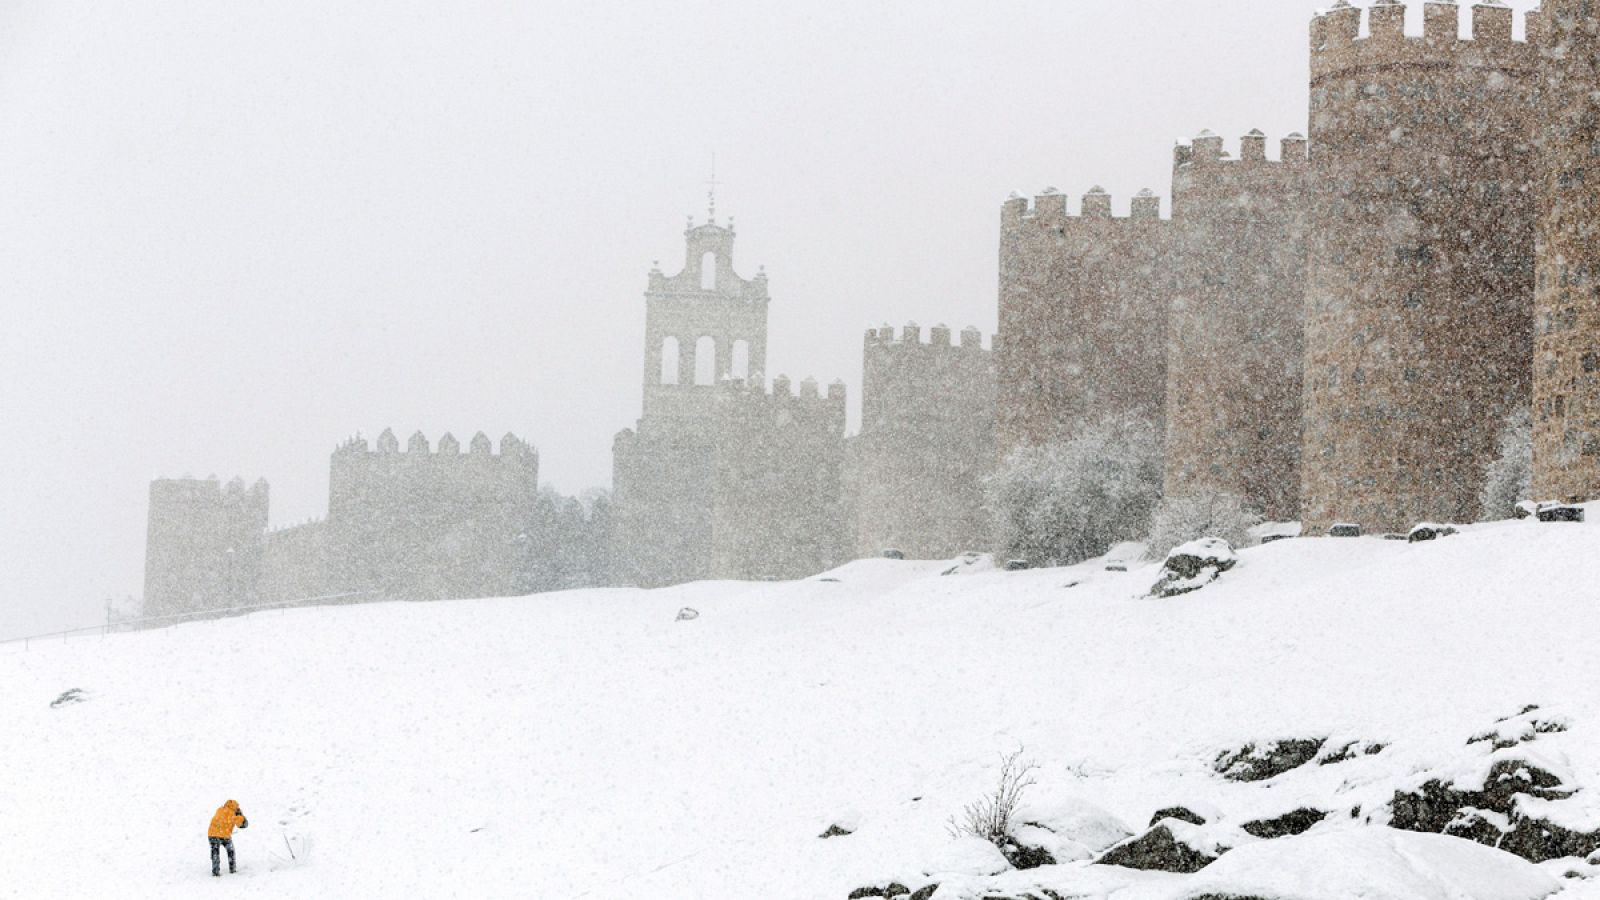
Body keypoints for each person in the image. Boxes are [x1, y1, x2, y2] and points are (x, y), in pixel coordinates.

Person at [207, 799, 249, 876]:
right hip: (224, 836)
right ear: (235, 807)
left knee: (215, 852)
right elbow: (243, 824)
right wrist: (241, 815)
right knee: (231, 851)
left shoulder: (219, 809)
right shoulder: (233, 814)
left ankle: (215, 871)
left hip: (212, 834)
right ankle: (232, 868)